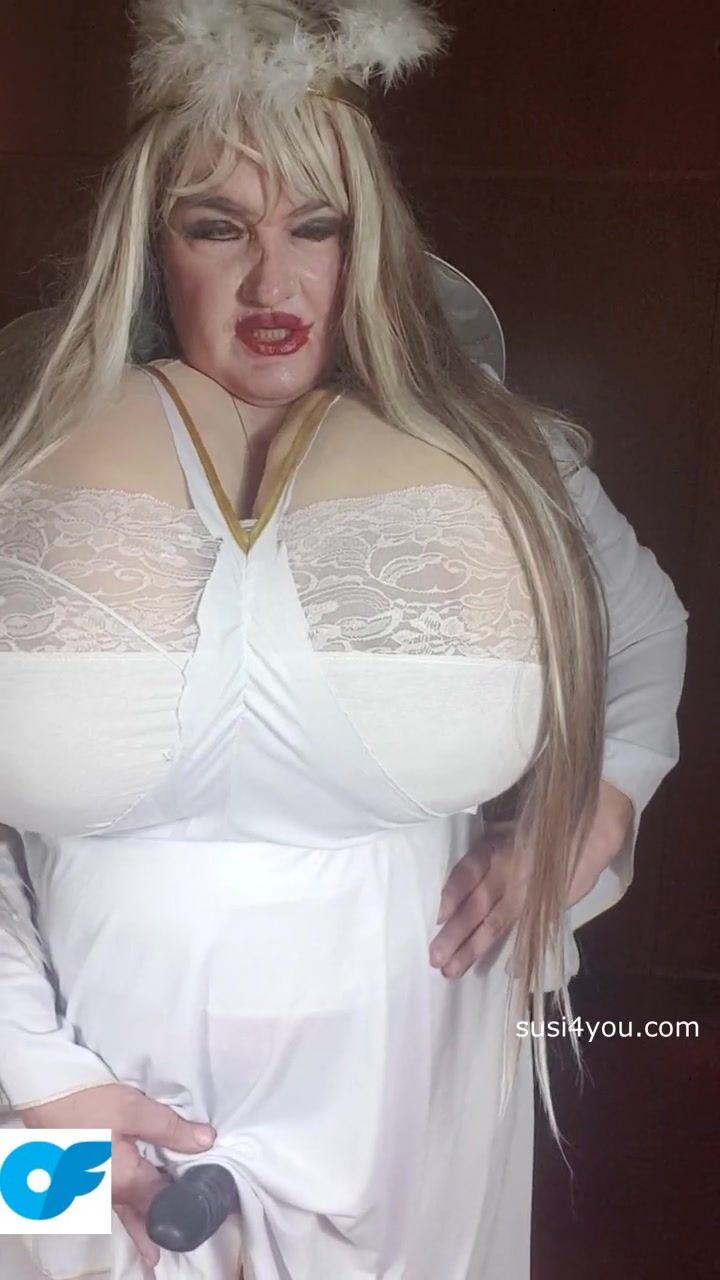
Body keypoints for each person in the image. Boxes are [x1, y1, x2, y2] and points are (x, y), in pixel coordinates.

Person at [0, 2, 689, 1278]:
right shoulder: (24, 464)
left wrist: (600, 799)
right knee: (42, 1254)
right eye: (219, 228)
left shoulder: (503, 460)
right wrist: (33, 1076)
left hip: (405, 1093)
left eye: (315, 227)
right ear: (150, 248)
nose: (275, 283)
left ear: (367, 243)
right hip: (58, 1099)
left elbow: (643, 625)